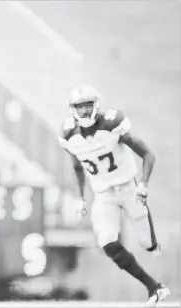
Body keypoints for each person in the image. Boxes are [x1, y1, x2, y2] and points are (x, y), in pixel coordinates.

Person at [58, 84, 170, 304]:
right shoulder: (70, 135)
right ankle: (154, 288)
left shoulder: (111, 124)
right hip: (103, 195)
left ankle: (154, 244)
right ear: (73, 110)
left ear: (96, 106)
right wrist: (81, 197)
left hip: (129, 188)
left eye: (88, 106)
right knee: (108, 244)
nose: (84, 112)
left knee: (147, 244)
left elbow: (148, 155)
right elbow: (77, 167)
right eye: (79, 107)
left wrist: (144, 185)